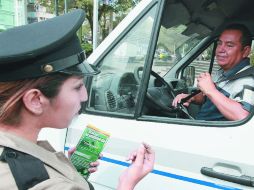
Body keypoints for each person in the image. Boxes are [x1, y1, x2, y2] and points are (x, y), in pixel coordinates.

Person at [0, 9, 155, 190]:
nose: (85, 96)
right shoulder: (44, 183)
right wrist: (127, 182)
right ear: (35, 100)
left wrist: (64, 168)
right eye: (77, 87)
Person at [172, 24, 254, 121]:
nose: (220, 49)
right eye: (219, 43)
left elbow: (243, 116)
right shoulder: (222, 72)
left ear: (245, 51)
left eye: (229, 45)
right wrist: (190, 97)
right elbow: (207, 98)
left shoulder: (248, 80)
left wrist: (211, 90)